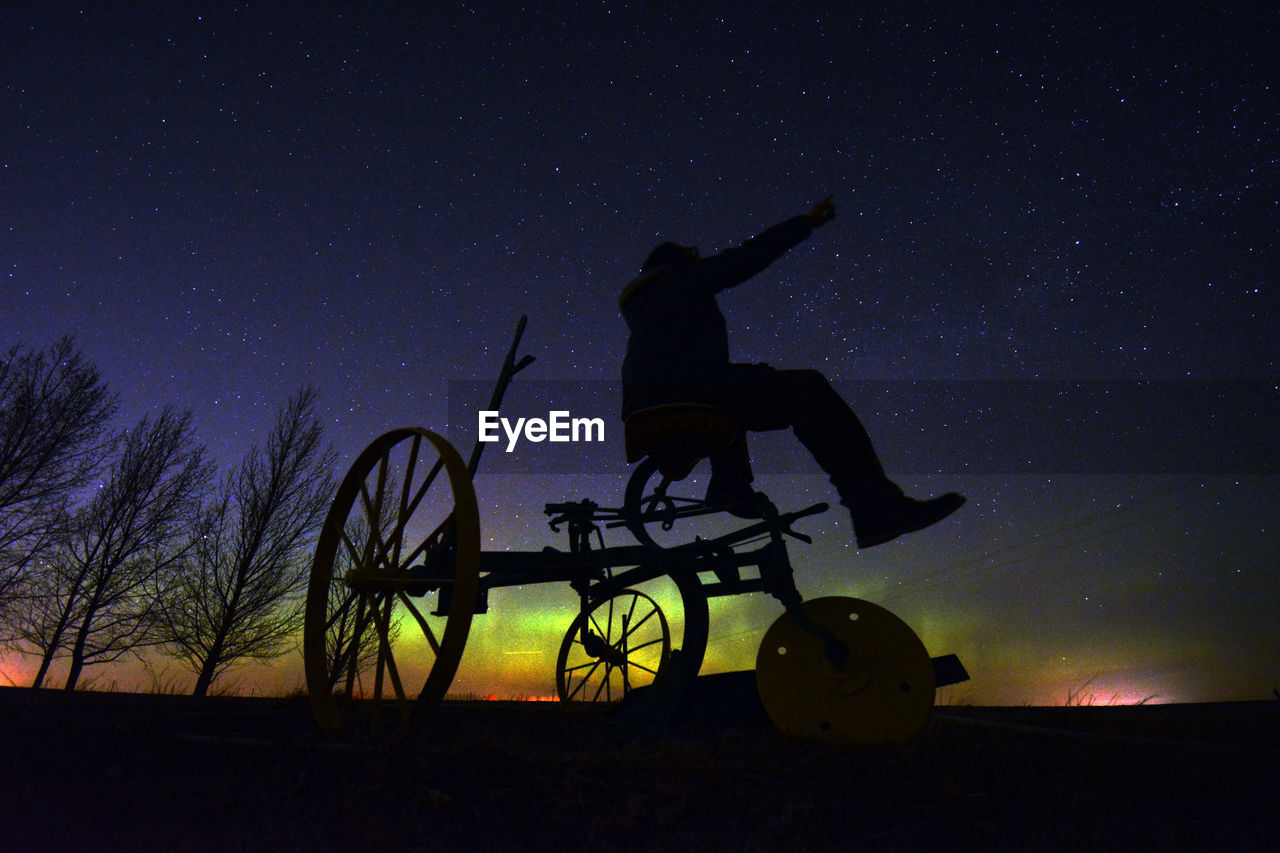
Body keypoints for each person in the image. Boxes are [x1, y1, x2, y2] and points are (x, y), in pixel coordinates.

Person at [618, 196, 964, 548]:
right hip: (686, 393)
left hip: (649, 402)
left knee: (735, 386)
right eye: (694, 258)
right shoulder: (681, 280)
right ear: (679, 262)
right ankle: (875, 507)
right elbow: (745, 258)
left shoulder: (648, 308)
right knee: (806, 389)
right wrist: (805, 223)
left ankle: (730, 485)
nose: (700, 260)